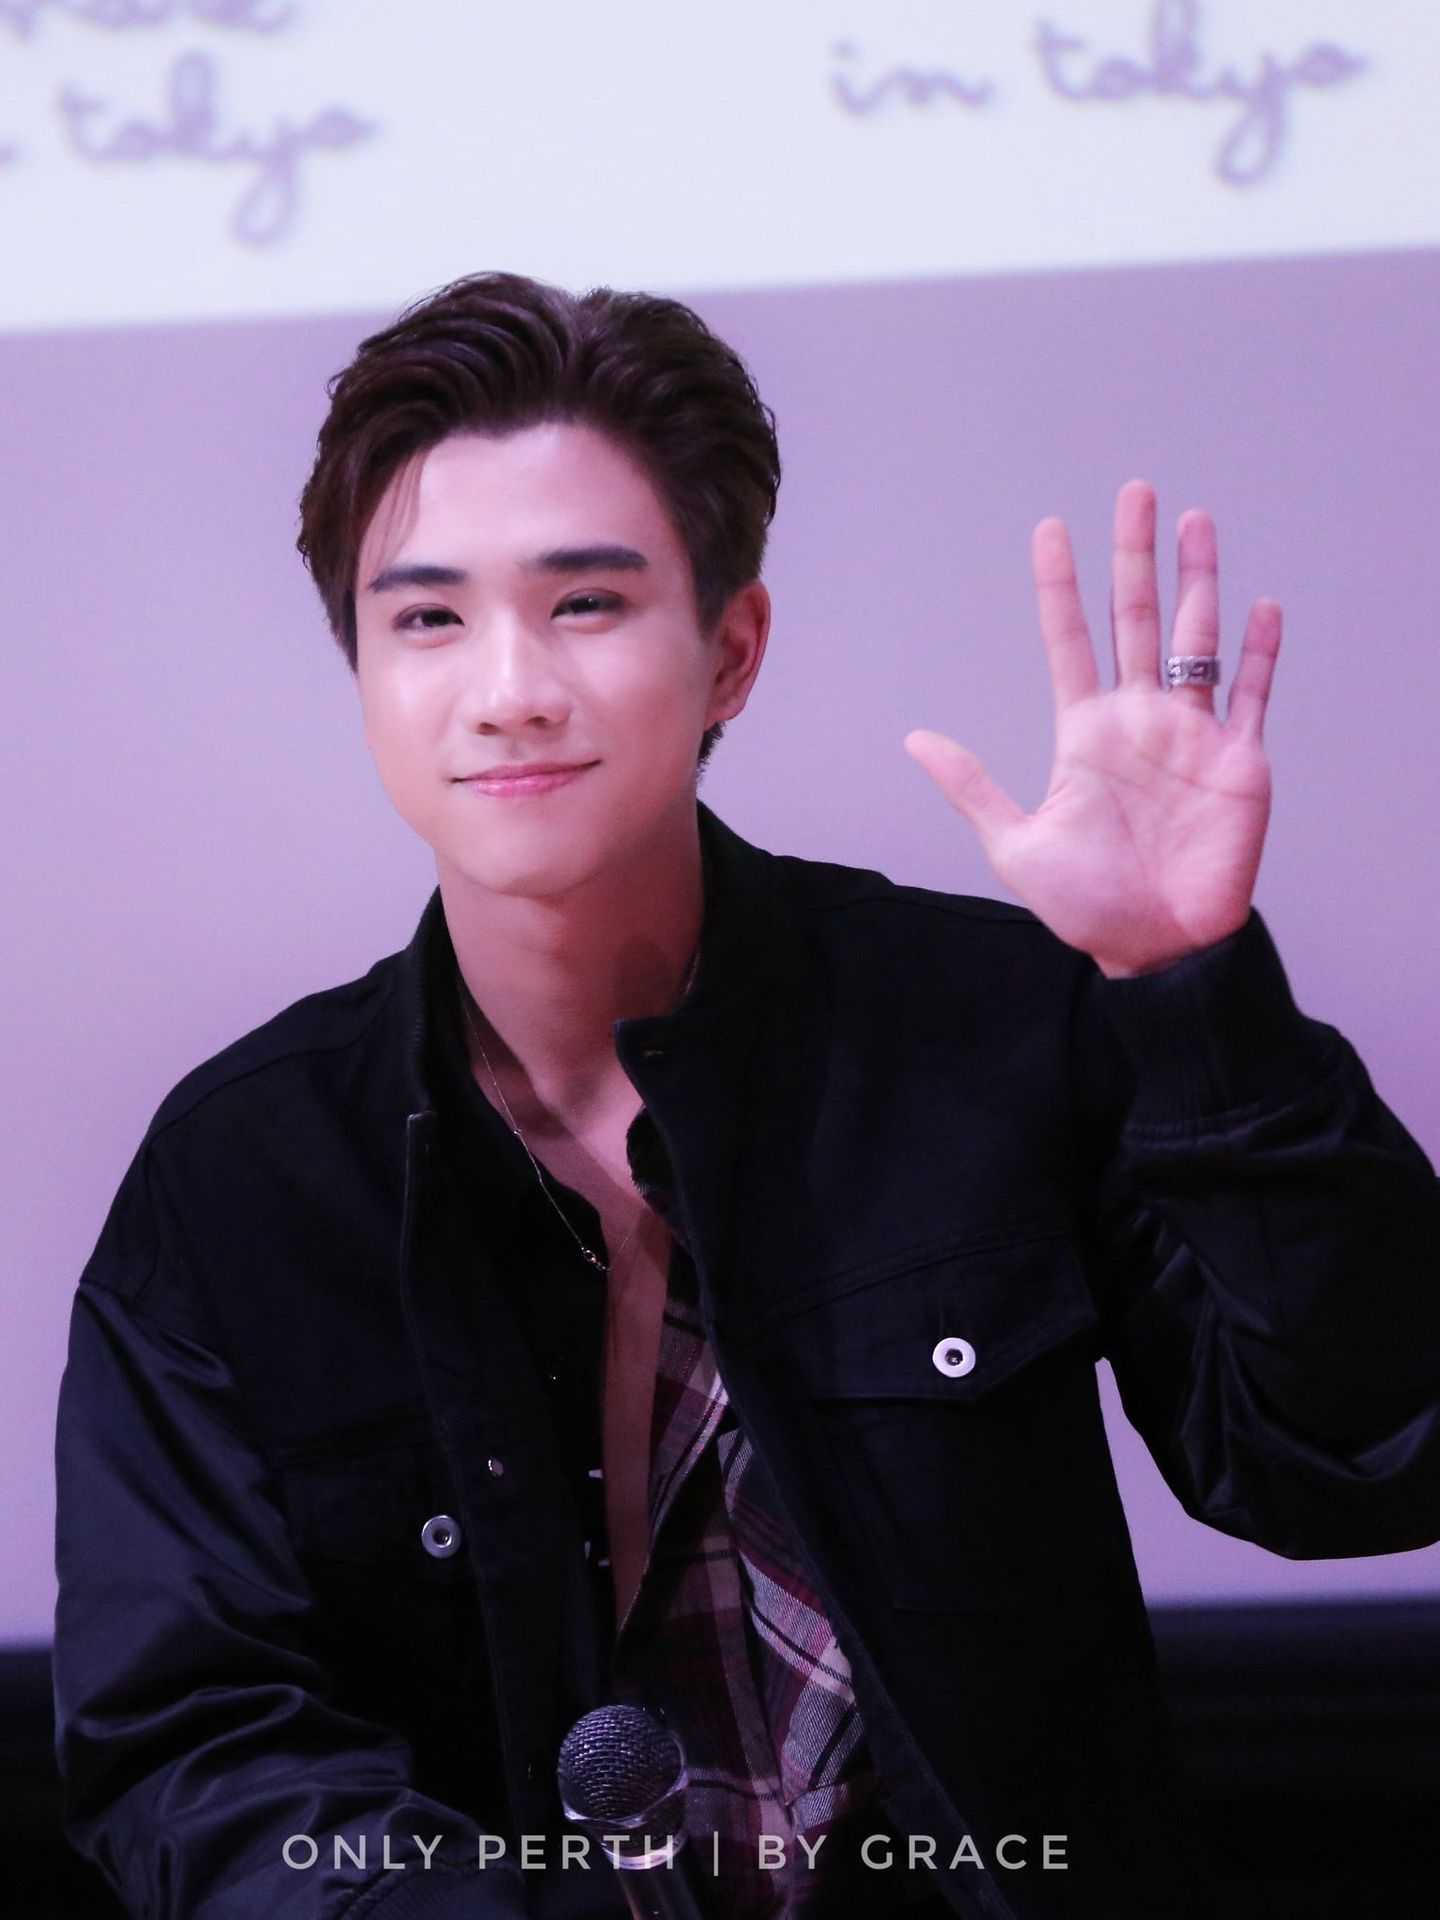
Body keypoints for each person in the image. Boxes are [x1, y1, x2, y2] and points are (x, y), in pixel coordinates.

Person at [52, 270, 1440, 1920]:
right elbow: (193, 1745)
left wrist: (1187, 990)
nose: (509, 687)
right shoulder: (243, 1177)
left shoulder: (989, 1027)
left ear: (731, 650)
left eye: (586, 603)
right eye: (427, 619)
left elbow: (1358, 1464)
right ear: (360, 669)